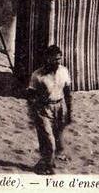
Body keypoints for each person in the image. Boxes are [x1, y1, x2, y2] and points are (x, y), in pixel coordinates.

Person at [26, 45, 72, 175]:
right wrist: (34, 110)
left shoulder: (64, 71)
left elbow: (67, 91)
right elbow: (30, 95)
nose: (58, 62)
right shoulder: (37, 75)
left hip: (60, 106)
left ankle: (44, 162)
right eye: (55, 59)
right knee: (48, 139)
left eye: (59, 59)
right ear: (47, 59)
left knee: (56, 138)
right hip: (43, 109)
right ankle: (48, 168)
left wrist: (68, 111)